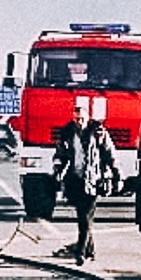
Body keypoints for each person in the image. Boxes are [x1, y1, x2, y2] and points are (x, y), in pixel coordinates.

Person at [51, 107, 118, 265]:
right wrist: (57, 170)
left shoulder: (98, 132)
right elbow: (60, 154)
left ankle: (80, 253)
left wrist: (117, 175)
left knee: (84, 218)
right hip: (75, 180)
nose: (79, 122)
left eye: (81, 119)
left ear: (88, 118)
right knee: (83, 217)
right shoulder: (67, 132)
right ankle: (90, 251)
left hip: (93, 181)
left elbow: (110, 154)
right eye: (76, 119)